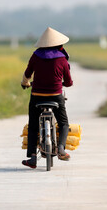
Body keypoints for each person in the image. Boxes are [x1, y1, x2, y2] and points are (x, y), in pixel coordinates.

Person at [21, 27, 73, 169]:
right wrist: (64, 83)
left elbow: (27, 74)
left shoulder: (36, 56)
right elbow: (68, 82)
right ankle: (61, 148)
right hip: (56, 96)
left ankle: (32, 157)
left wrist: (25, 83)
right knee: (63, 123)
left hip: (37, 96)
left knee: (33, 126)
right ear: (59, 45)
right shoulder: (62, 59)